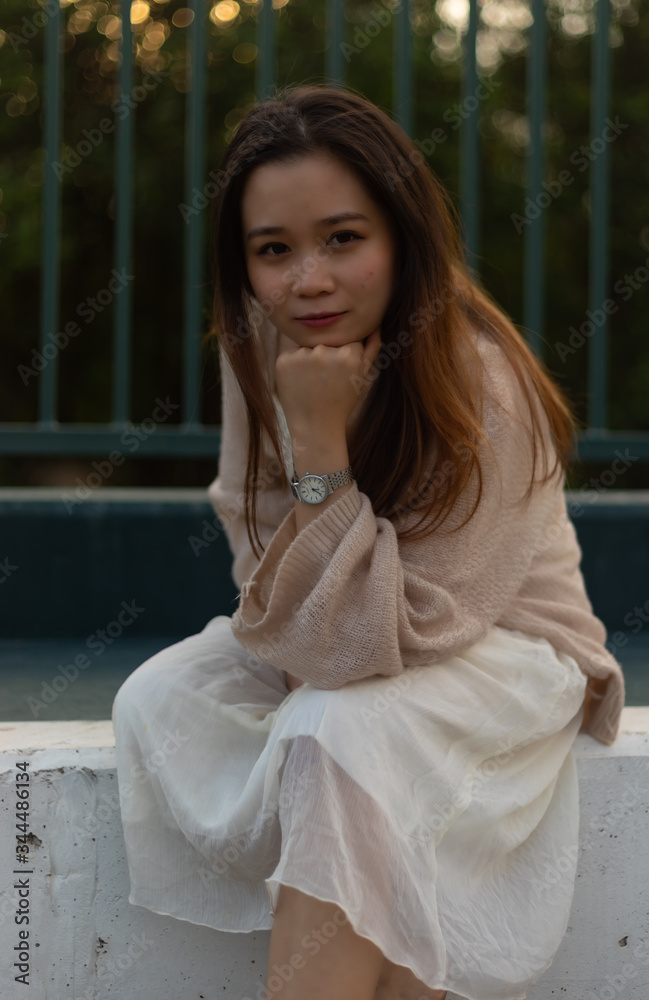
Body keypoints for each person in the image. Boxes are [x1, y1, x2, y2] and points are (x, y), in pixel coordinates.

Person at [111, 83, 625, 1000]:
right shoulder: (265, 345)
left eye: (342, 239)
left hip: (499, 647)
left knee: (335, 731)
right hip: (341, 633)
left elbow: (398, 635)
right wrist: (307, 636)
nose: (307, 281)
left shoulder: (480, 381)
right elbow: (259, 562)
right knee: (161, 695)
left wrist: (319, 444)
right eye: (274, 251)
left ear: (402, 237)